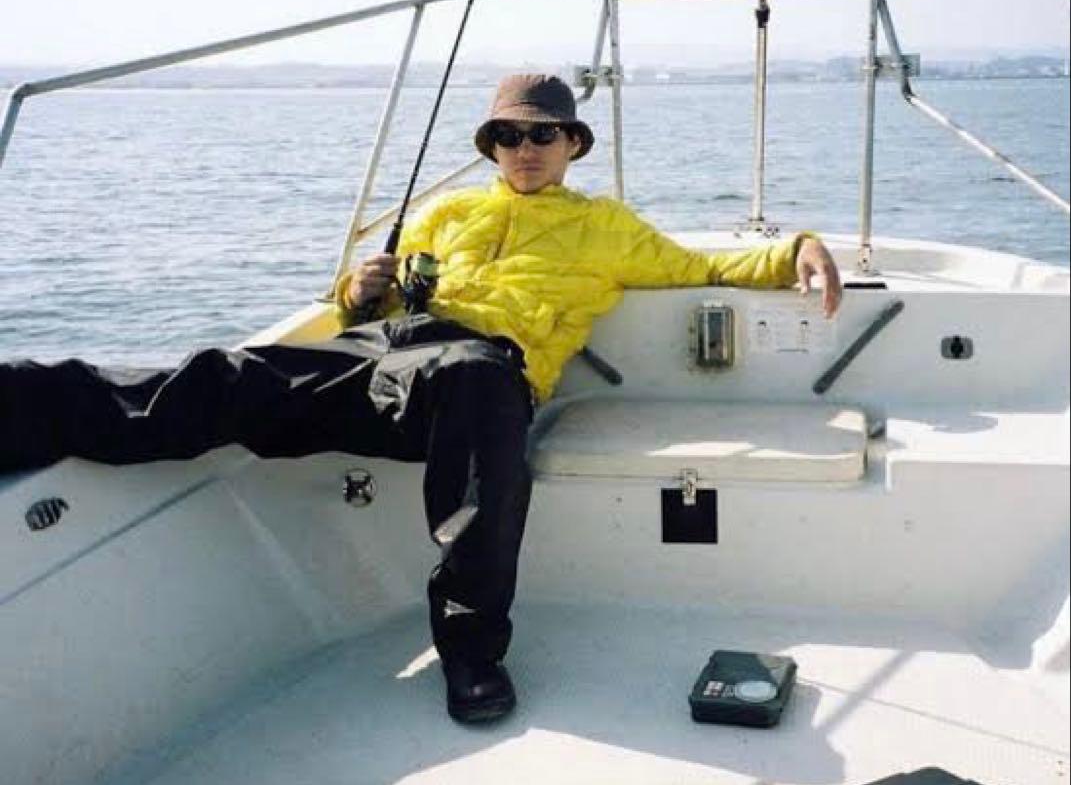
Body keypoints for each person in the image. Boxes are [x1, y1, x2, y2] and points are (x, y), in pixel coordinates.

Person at [0, 73, 841, 724]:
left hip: (479, 376)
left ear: (572, 144)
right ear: (491, 147)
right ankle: (23, 406)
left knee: (474, 378)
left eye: (541, 134)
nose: (524, 149)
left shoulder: (607, 228)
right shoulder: (444, 214)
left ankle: (471, 653)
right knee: (230, 377)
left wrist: (797, 248)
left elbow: (706, 267)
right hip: (383, 357)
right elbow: (359, 312)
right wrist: (360, 291)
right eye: (507, 135)